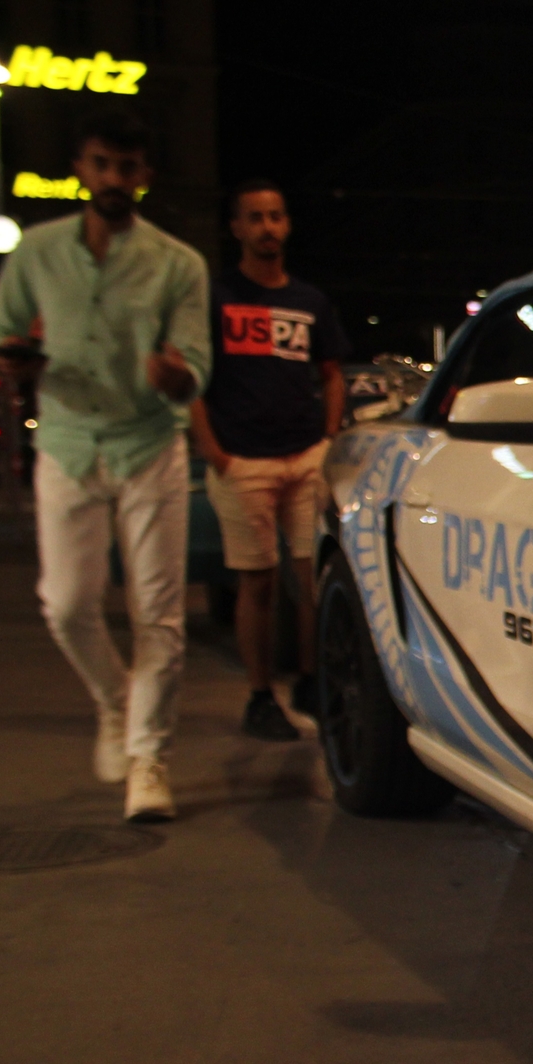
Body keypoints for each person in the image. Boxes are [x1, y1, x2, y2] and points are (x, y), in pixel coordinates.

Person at [0, 106, 209, 823]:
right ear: (82, 168)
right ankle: (114, 702)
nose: (114, 178)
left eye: (128, 167)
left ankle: (148, 757)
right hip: (69, 443)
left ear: (146, 177)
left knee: (159, 613)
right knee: (68, 604)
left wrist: (176, 374)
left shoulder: (179, 263)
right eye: (102, 164)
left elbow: (197, 361)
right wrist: (8, 358)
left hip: (148, 445)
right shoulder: (39, 252)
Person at [188, 179, 348, 740]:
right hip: (243, 462)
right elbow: (193, 383)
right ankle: (260, 696)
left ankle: (309, 680)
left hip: (303, 456)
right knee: (256, 583)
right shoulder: (216, 298)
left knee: (309, 578)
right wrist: (215, 454)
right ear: (236, 228)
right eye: (254, 218)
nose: (267, 227)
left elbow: (331, 373)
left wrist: (327, 438)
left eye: (276, 216)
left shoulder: (308, 302)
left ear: (287, 225)